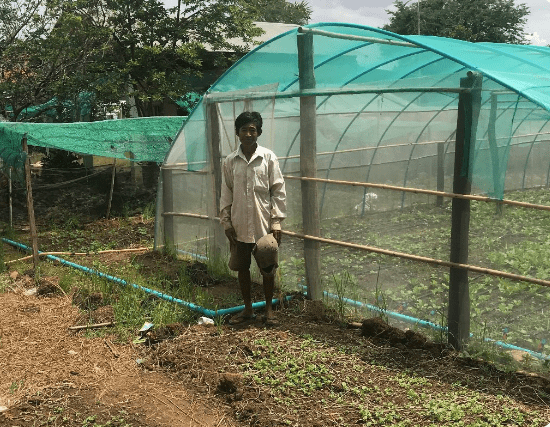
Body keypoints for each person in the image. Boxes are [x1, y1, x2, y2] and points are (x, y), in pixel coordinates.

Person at [219, 111, 286, 325]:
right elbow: (226, 192)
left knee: (268, 268)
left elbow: (278, 190)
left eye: (252, 130)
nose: (248, 134)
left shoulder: (268, 158)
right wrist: (226, 222)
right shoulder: (230, 161)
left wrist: (276, 221)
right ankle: (248, 309)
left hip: (263, 224)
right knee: (242, 268)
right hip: (239, 224)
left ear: (259, 132)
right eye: (244, 130)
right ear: (237, 133)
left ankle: (269, 311)